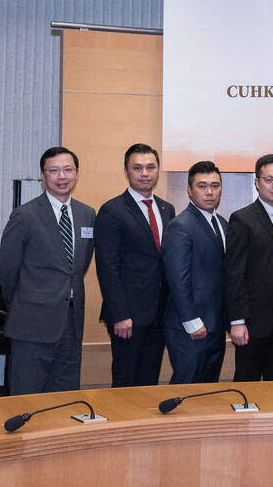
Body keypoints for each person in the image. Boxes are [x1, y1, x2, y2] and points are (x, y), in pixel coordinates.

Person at [0, 146, 96, 395]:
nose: (62, 176)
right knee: (27, 397)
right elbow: (7, 272)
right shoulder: (25, 215)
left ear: (77, 173)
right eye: (54, 171)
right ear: (43, 175)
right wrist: (23, 304)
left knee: (65, 396)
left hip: (71, 323)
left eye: (67, 170)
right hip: (32, 322)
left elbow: (79, 267)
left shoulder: (87, 214)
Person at [95, 143, 175, 387]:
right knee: (125, 381)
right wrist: (120, 315)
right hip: (127, 317)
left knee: (149, 381)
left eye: (150, 167)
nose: (144, 173)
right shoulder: (112, 211)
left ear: (158, 171)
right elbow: (107, 267)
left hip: (159, 314)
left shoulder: (167, 209)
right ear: (126, 171)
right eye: (137, 167)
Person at [225, 153, 273, 381]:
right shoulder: (243, 219)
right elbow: (234, 273)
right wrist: (237, 321)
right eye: (269, 180)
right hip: (254, 320)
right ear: (257, 182)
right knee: (248, 383)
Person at [162, 161, 227, 384]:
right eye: (201, 186)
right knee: (186, 391)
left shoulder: (222, 224)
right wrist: (191, 321)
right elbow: (178, 279)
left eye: (215, 186)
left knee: (207, 392)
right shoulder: (180, 225)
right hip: (189, 328)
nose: (209, 192)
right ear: (189, 191)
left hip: (215, 326)